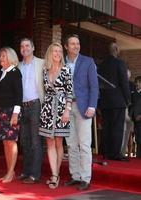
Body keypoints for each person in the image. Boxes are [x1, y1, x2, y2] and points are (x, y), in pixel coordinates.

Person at [64, 34, 99, 191]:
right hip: (65, 108)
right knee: (71, 144)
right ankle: (75, 176)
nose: (76, 46)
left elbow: (94, 86)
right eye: (72, 44)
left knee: (84, 144)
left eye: (77, 43)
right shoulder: (61, 62)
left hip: (83, 107)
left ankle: (85, 178)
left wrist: (92, 106)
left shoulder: (88, 61)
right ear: (66, 46)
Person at [39, 42, 73, 189]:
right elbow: (44, 91)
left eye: (60, 51)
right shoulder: (45, 70)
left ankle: (56, 174)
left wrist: (67, 110)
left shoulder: (66, 70)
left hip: (61, 108)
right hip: (47, 108)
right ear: (50, 53)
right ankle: (54, 174)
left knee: (59, 142)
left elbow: (70, 93)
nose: (58, 54)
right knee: (49, 142)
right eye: (55, 51)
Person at [17, 37, 45, 184]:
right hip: (22, 106)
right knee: (25, 140)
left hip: (36, 105)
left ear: (33, 48)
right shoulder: (18, 66)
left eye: (27, 45)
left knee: (35, 141)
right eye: (22, 46)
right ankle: (26, 171)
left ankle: (35, 174)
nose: (25, 48)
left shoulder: (41, 63)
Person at [98, 42, 131, 161]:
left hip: (105, 102)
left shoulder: (101, 65)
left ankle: (106, 153)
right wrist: (128, 100)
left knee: (107, 127)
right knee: (117, 127)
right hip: (118, 101)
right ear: (116, 50)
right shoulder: (119, 63)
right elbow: (124, 82)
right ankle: (115, 154)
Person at [0, 47, 22, 183]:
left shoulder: (15, 72)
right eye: (0, 56)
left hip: (12, 112)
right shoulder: (1, 73)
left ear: (11, 57)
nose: (1, 59)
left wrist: (15, 114)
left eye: (4, 56)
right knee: (5, 142)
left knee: (11, 141)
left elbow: (19, 95)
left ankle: (11, 173)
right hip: (1, 111)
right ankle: (9, 172)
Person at [121, 69, 135, 157]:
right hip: (120, 112)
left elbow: (133, 100)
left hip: (129, 113)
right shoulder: (119, 84)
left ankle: (122, 152)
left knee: (126, 134)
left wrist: (131, 113)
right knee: (121, 133)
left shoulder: (132, 85)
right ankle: (119, 152)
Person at [132, 76, 141, 158]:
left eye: (138, 82)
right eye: (136, 82)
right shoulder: (134, 93)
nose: (136, 84)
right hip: (135, 120)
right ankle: (138, 157)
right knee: (137, 138)